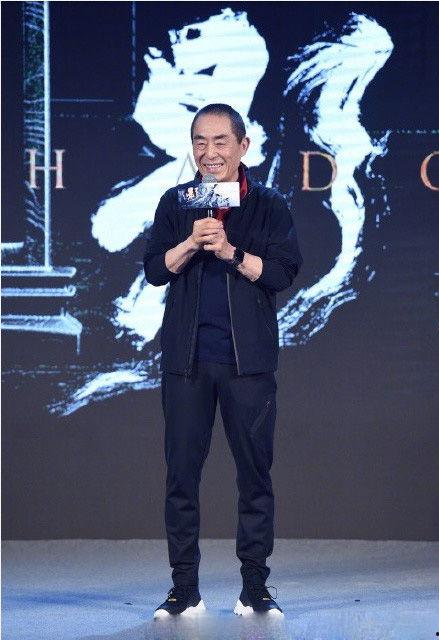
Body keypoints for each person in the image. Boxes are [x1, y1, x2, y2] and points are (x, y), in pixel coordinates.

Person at [143, 103, 303, 618]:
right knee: (181, 477)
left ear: (242, 146)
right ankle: (183, 588)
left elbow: (281, 273)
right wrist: (192, 242)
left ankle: (255, 585)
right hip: (186, 363)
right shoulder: (177, 203)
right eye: (199, 142)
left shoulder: (270, 205)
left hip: (247, 364)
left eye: (219, 142)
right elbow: (154, 269)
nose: (209, 153)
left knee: (255, 476)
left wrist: (231, 251)